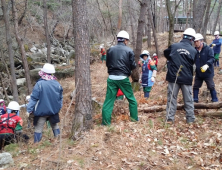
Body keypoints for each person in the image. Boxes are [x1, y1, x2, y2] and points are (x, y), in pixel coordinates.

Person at [102, 30, 138, 125]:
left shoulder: (110, 50)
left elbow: (108, 64)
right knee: (131, 99)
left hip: (112, 78)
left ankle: (105, 123)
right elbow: (133, 66)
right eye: (127, 40)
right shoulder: (129, 50)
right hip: (123, 78)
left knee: (108, 101)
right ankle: (134, 119)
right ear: (125, 40)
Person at [164, 28, 197, 124]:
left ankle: (169, 119)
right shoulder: (193, 50)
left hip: (173, 77)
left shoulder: (174, 46)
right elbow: (193, 62)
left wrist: (173, 59)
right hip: (186, 78)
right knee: (188, 99)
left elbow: (166, 53)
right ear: (192, 39)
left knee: (171, 98)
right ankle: (190, 119)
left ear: (183, 36)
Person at [27, 63, 63, 143]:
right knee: (55, 126)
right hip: (54, 111)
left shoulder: (39, 84)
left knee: (38, 128)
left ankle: (37, 144)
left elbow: (33, 98)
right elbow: (60, 98)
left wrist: (29, 109)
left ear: (43, 72)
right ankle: (58, 142)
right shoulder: (57, 84)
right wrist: (59, 108)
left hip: (41, 111)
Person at [193, 33, 218, 103]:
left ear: (201, 41)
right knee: (196, 86)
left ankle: (215, 100)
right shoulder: (195, 51)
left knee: (211, 86)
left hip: (208, 72)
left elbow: (212, 58)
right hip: (198, 73)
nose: (196, 43)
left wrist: (207, 65)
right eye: (194, 42)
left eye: (197, 41)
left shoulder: (208, 49)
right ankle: (195, 100)